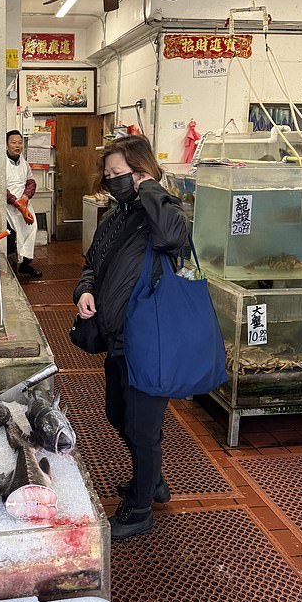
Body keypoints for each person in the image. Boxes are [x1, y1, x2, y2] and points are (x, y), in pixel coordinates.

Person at [73, 135, 188, 540]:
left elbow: (175, 238)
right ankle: (151, 479)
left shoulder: (160, 212)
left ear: (141, 172)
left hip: (150, 338)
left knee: (142, 426)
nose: (111, 182)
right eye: (108, 176)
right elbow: (92, 263)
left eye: (118, 174)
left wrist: (150, 189)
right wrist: (84, 290)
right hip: (118, 337)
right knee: (117, 414)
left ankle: (140, 508)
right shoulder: (115, 216)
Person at [5, 129, 43, 278]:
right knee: (10, 237)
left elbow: (31, 181)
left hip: (24, 204)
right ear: (7, 145)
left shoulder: (24, 163)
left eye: (20, 142)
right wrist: (16, 203)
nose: (17, 145)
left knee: (31, 230)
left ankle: (25, 265)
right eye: (13, 142)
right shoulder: (0, 163)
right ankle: (9, 271)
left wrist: (25, 198)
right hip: (8, 208)